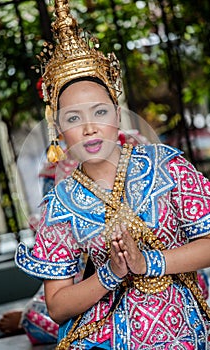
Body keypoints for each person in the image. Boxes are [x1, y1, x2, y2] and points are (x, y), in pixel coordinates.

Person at [15, 0, 210, 348]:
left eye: (100, 111)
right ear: (58, 129)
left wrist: (146, 262)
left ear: (117, 115)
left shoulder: (166, 166)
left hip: (179, 320)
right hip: (105, 328)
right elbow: (58, 306)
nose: (89, 128)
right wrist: (113, 272)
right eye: (73, 118)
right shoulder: (59, 206)